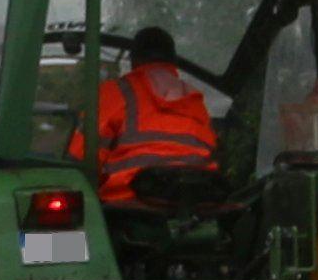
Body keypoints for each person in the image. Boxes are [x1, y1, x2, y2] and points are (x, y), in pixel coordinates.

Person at [82, 21, 226, 222]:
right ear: (173, 61)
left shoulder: (114, 92)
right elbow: (212, 154)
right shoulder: (195, 101)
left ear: (134, 61)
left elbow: (81, 158)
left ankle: (34, 249)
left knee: (44, 247)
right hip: (195, 210)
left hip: (127, 209)